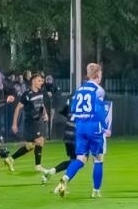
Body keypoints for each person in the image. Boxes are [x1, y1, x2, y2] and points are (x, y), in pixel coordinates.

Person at [54, 63, 110, 199]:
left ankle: (66, 178)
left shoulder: (79, 90)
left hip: (80, 127)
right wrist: (105, 127)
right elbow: (99, 110)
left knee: (80, 159)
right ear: (97, 74)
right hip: (94, 126)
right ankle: (96, 191)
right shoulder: (99, 90)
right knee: (98, 159)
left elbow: (73, 109)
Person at [9, 73, 54, 178]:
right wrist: (14, 124)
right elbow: (18, 108)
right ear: (33, 81)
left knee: (30, 146)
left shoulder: (41, 93)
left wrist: (45, 114)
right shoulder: (27, 94)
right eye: (39, 80)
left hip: (37, 122)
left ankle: (10, 159)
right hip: (30, 123)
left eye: (42, 81)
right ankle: (38, 165)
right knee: (40, 140)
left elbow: (41, 104)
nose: (41, 82)